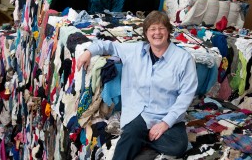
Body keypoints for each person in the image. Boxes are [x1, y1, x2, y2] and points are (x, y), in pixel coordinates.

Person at [77, 10, 198, 160]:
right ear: (146, 33)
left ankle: (140, 140)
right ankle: (139, 139)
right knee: (129, 137)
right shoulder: (133, 50)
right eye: (152, 29)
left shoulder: (183, 59)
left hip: (166, 114)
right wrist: (88, 52)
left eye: (161, 28)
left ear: (168, 31)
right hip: (139, 113)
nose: (157, 33)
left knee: (178, 146)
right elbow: (107, 45)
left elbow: (186, 95)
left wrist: (165, 123)